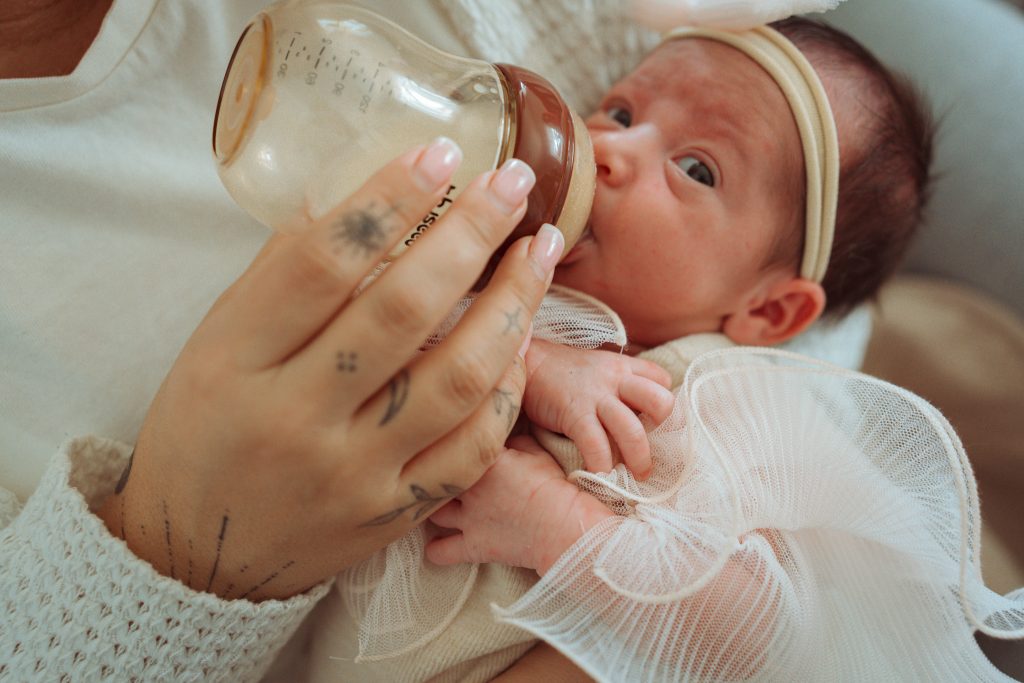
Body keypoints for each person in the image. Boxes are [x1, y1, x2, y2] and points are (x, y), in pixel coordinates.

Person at [303, 15, 1022, 683]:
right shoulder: (490, 266)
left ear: (769, 309)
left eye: (696, 169)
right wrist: (536, 361)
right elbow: (360, 341)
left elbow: (762, 630)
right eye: (621, 112)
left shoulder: (729, 394)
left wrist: (558, 528)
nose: (610, 149)